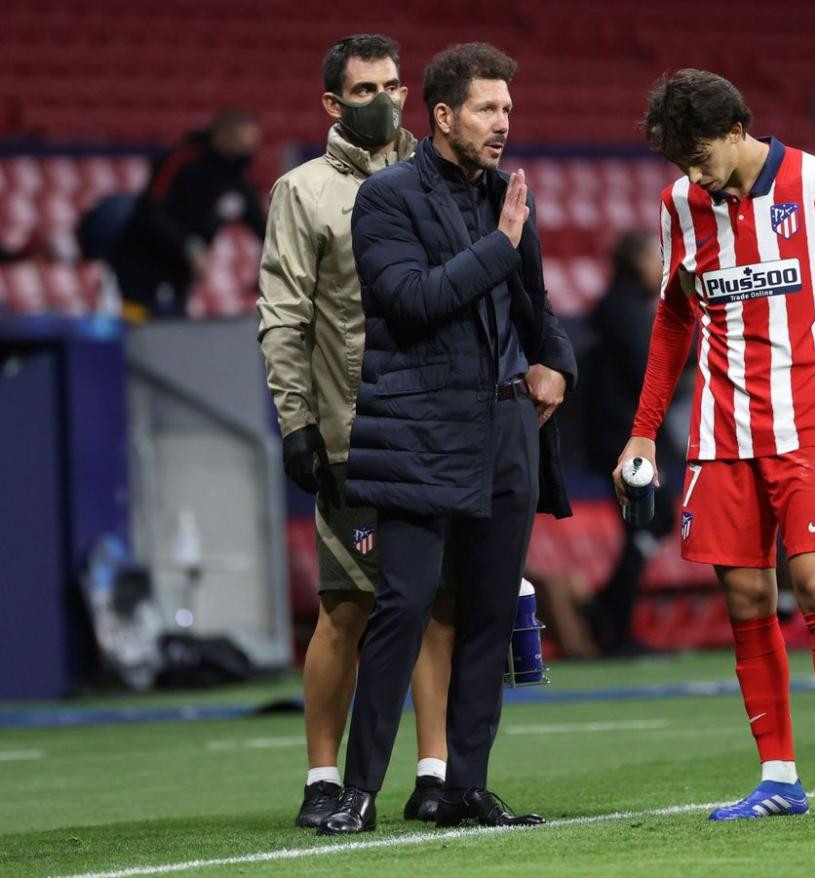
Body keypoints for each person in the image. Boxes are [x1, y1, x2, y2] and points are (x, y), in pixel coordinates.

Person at [614, 69, 815, 820]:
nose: (694, 174)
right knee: (745, 599)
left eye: (701, 156)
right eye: (682, 163)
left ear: (738, 129)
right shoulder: (680, 205)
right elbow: (673, 317)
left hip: (809, 427)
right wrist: (643, 430)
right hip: (720, 436)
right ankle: (778, 777)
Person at [319, 42, 576, 835]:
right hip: (419, 427)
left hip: (505, 428)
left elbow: (537, 310)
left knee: (491, 613)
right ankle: (357, 790)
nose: (503, 123)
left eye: (507, 108)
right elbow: (410, 301)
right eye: (487, 109)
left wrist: (555, 365)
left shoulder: (508, 195)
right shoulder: (387, 198)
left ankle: (461, 787)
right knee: (400, 606)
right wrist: (498, 244)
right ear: (442, 115)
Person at [256, 33, 453, 829]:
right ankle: (320, 777)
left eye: (395, 85)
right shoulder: (301, 193)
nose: (385, 100)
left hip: (436, 432)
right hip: (351, 432)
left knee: (436, 601)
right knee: (346, 607)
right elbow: (284, 315)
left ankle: (434, 773)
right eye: (366, 89)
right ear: (333, 104)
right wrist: (296, 421)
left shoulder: (438, 178)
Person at [582, 230, 680, 654]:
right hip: (624, 439)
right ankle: (614, 623)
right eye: (656, 256)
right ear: (636, 260)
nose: (661, 265)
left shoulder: (618, 308)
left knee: (649, 523)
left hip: (618, 435)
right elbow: (648, 373)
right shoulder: (624, 312)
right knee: (648, 522)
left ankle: (608, 609)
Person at [111, 109, 265, 320]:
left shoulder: (237, 181)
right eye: (241, 143)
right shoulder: (182, 161)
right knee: (139, 331)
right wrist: (190, 246)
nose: (247, 151)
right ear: (222, 137)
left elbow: (262, 227)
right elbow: (150, 210)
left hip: (180, 275)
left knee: (172, 329)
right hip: (143, 264)